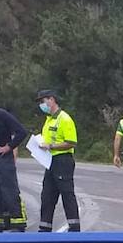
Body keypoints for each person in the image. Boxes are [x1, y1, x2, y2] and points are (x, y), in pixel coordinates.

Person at [35, 89, 80, 232]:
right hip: (50, 161)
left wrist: (51, 146)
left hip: (63, 160)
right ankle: (44, 227)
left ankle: (74, 227)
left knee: (67, 194)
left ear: (51, 99)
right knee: (47, 195)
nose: (42, 105)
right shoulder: (49, 120)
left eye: (43, 101)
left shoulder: (64, 119)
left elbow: (71, 142)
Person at [0, 104, 28, 232]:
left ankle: (17, 223)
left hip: (3, 158)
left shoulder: (0, 114)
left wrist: (9, 147)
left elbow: (21, 132)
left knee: (9, 191)